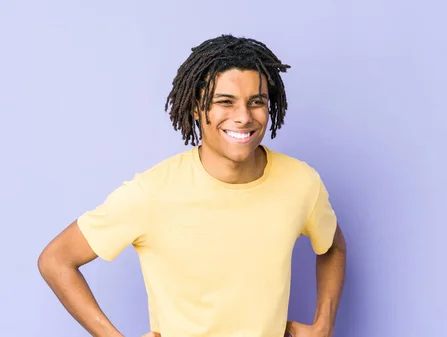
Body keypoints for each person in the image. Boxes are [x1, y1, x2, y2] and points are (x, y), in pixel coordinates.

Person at [37, 34, 347, 337]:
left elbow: (332, 245)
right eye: (225, 102)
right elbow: (56, 260)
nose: (243, 117)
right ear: (197, 109)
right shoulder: (153, 192)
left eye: (256, 102)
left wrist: (324, 323)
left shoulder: (300, 182)